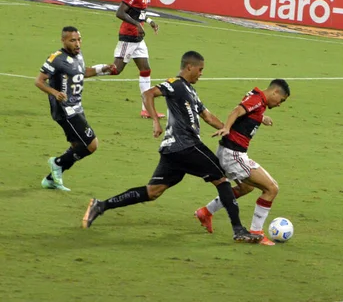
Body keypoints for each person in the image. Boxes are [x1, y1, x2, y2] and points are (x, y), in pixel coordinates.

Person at [82, 51, 263, 243]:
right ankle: (239, 230)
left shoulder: (191, 91)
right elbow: (148, 93)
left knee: (153, 192)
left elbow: (208, 117)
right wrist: (155, 121)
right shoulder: (175, 84)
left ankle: (100, 205)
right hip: (187, 145)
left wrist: (228, 129)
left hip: (173, 152)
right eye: (200, 70)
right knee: (221, 179)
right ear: (189, 67)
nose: (201, 73)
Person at [194, 79, 290, 246]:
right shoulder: (258, 99)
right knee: (271, 188)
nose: (280, 104)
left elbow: (248, 112)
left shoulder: (257, 98)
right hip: (234, 155)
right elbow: (237, 111)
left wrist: (261, 117)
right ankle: (257, 232)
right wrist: (227, 128)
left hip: (228, 151)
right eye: (281, 100)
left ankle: (206, 212)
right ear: (275, 92)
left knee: (246, 187)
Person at [35, 26, 116, 191]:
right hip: (65, 110)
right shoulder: (56, 58)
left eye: (79, 39)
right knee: (91, 145)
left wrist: (102, 69)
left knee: (76, 146)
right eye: (73, 40)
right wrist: (55, 92)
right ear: (63, 40)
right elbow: (39, 81)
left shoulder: (78, 55)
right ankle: (57, 163)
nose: (77, 43)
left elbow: (82, 72)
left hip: (77, 107)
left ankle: (51, 179)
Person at [111, 0, 165, 119]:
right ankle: (84, 72)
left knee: (145, 70)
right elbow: (120, 13)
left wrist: (149, 21)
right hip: (128, 37)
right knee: (116, 69)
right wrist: (136, 25)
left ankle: (146, 110)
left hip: (138, 39)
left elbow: (138, 13)